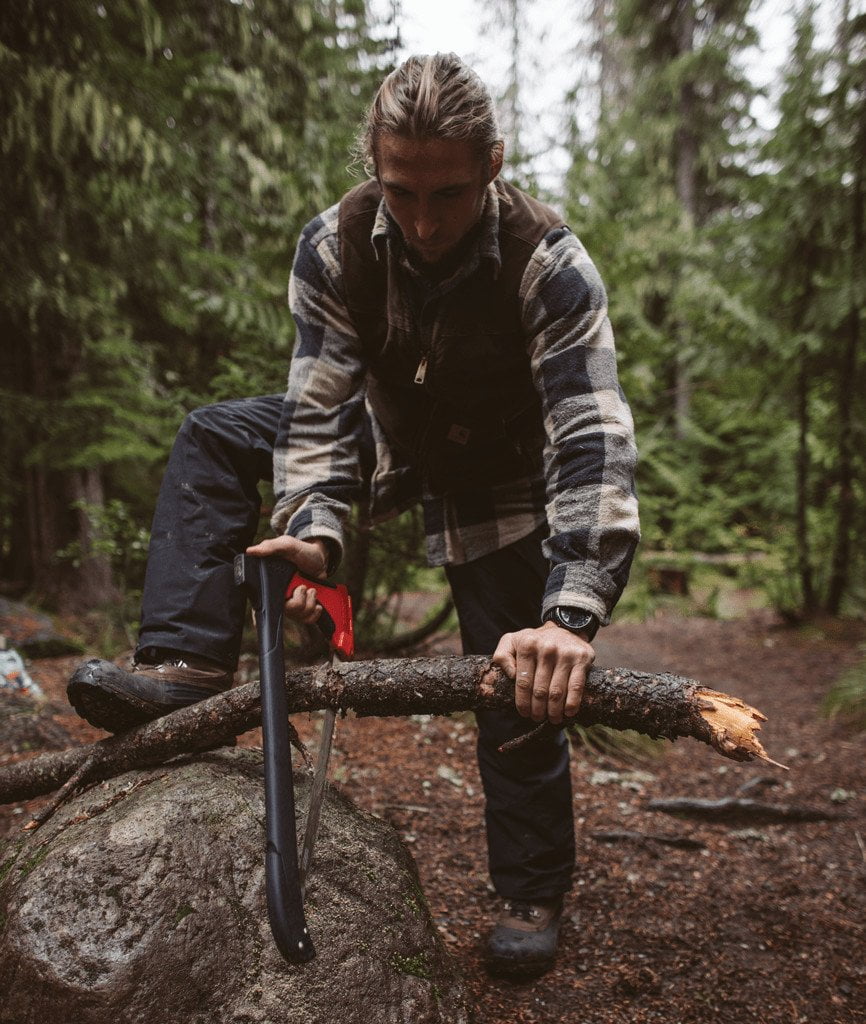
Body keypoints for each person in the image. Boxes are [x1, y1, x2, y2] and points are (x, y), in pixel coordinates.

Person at [67, 53, 639, 978]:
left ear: (492, 164)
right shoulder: (333, 245)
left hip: (504, 478)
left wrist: (570, 614)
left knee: (519, 684)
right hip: (382, 435)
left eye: (446, 194)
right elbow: (318, 412)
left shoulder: (551, 263)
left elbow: (592, 441)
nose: (421, 222)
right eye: (399, 189)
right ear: (374, 163)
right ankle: (184, 661)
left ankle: (531, 887)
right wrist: (316, 530)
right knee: (214, 435)